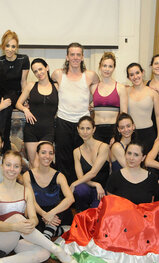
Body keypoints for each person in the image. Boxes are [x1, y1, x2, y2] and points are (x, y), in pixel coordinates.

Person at [0, 150, 80, 263]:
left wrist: (32, 222)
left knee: (44, 253)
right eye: (8, 165)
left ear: (20, 168)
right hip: (1, 241)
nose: (12, 169)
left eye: (16, 166)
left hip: (20, 238)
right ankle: (57, 250)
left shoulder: (26, 191)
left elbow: (34, 218)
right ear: (2, 166)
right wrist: (15, 226)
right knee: (17, 217)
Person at [51, 42, 99, 183]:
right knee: (63, 158)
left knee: (82, 157)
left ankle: (80, 188)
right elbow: (46, 87)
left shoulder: (90, 75)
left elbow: (99, 88)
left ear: (83, 57)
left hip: (82, 123)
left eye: (78, 54)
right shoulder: (58, 74)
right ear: (67, 57)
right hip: (63, 121)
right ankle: (64, 191)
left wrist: (92, 102)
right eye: (72, 54)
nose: (75, 57)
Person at [23, 142, 74, 239]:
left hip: (57, 214)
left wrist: (51, 213)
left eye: (51, 153)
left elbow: (70, 198)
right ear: (37, 154)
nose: (47, 156)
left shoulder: (59, 176)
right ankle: (59, 231)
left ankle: (46, 236)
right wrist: (44, 214)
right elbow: (31, 200)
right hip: (38, 212)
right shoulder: (27, 175)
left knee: (61, 204)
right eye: (43, 152)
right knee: (30, 217)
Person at [16, 58, 58, 167]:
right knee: (33, 163)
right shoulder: (30, 86)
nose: (39, 73)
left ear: (47, 67)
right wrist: (25, 110)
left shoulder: (57, 87)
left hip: (48, 130)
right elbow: (18, 103)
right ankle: (31, 184)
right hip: (31, 130)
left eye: (40, 69)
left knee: (44, 162)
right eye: (35, 71)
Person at [0, 30, 30, 151]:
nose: (10, 49)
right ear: (3, 46)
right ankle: (0, 142)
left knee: (8, 102)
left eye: (13, 46)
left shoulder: (23, 59)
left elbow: (23, 81)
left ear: (17, 47)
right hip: (2, 94)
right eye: (8, 46)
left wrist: (25, 99)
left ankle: (5, 144)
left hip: (16, 94)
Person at [70, 116, 110, 211]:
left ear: (94, 129)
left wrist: (73, 184)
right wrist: (96, 184)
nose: (85, 132)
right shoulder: (76, 152)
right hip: (89, 188)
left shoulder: (103, 147)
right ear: (78, 130)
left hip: (102, 191)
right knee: (79, 189)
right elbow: (81, 178)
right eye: (82, 128)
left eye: (88, 128)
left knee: (95, 216)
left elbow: (93, 173)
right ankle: (81, 212)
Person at [90, 52, 128, 144]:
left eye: (110, 66)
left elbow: (123, 114)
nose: (107, 69)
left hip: (113, 130)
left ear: (114, 68)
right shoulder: (93, 87)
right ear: (100, 67)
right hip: (97, 130)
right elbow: (88, 109)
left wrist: (117, 135)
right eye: (105, 66)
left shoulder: (120, 88)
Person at [126, 63, 159, 153]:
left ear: (142, 72)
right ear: (128, 78)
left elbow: (158, 116)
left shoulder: (153, 93)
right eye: (131, 75)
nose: (135, 77)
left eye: (137, 73)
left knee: (148, 164)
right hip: (131, 134)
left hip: (148, 134)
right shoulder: (125, 92)